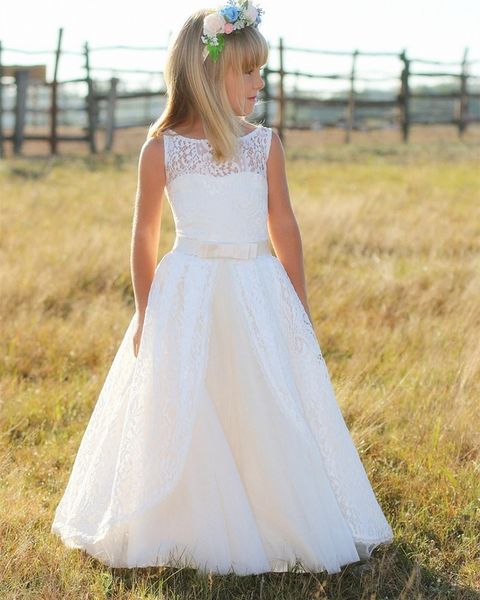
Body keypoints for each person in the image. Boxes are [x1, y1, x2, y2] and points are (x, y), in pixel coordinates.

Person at [51, 0, 394, 576]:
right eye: (249, 71)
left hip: (257, 288)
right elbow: (144, 235)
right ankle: (191, 520)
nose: (260, 84)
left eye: (262, 70)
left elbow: (283, 225)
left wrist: (298, 306)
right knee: (189, 396)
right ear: (209, 74)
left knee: (264, 397)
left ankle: (275, 512)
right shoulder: (161, 150)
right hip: (189, 290)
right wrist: (145, 312)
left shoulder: (265, 144)